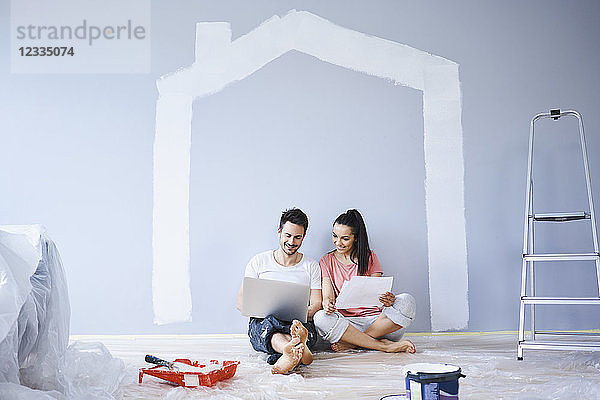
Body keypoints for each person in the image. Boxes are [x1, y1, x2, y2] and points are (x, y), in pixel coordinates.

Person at [313, 209, 416, 353]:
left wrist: (389, 300)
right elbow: (328, 296)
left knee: (407, 301)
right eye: (335, 236)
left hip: (377, 323)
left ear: (355, 238)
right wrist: (327, 303)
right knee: (320, 318)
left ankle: (355, 344)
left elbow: (378, 295)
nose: (338, 242)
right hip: (347, 325)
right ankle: (383, 346)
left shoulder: (369, 257)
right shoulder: (326, 261)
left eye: (345, 238)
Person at [236, 208, 322, 374]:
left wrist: (301, 315)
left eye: (298, 237)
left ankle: (290, 352)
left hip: (298, 322)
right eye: (288, 235)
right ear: (279, 232)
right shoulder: (259, 261)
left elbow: (317, 303)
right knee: (270, 326)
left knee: (296, 329)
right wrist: (261, 310)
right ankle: (297, 350)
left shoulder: (311, 266)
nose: (292, 242)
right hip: (265, 322)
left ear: (304, 237)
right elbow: (241, 302)